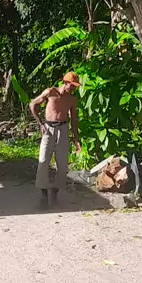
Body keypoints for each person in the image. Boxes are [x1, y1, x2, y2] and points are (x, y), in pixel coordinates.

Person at [29, 71, 82, 207]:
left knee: (62, 165)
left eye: (75, 86)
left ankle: (55, 192)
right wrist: (40, 124)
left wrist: (75, 138)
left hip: (63, 129)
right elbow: (32, 104)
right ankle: (43, 195)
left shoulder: (72, 99)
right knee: (43, 161)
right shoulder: (50, 92)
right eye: (72, 85)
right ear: (65, 82)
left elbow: (74, 120)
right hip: (48, 129)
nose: (73, 88)